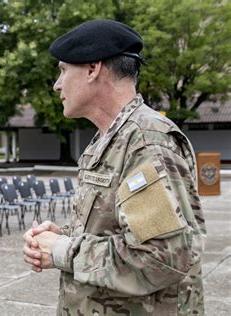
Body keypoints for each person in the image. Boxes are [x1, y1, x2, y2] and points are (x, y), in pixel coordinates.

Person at [23, 19, 206, 315]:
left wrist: (61, 250)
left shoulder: (146, 142)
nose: (57, 84)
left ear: (93, 69)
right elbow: (120, 228)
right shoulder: (109, 140)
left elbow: (163, 258)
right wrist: (65, 234)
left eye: (63, 70)